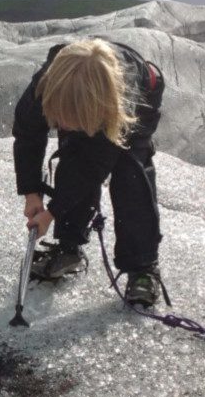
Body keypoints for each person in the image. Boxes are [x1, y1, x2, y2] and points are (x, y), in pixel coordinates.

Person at [12, 38, 166, 306]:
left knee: (131, 176)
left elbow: (92, 167)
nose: (63, 126)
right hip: (93, 99)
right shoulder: (46, 86)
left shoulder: (119, 101)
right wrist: (31, 192)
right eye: (59, 119)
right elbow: (28, 135)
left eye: (73, 122)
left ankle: (142, 267)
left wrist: (52, 212)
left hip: (139, 99)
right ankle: (69, 246)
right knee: (72, 157)